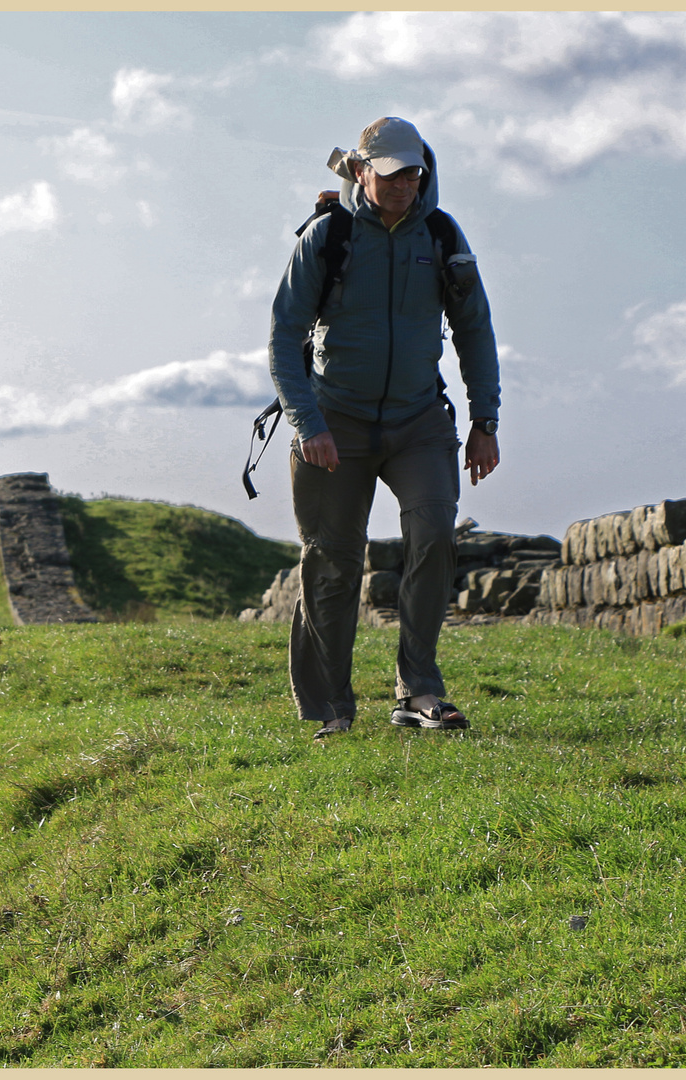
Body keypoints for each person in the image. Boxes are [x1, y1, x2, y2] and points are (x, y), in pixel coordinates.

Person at [267, 116, 500, 740]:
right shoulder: (328, 236)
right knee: (333, 560)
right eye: (393, 175)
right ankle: (330, 709)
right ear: (362, 171)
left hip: (419, 420)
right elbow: (284, 337)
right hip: (332, 420)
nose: (405, 187)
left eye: (414, 175)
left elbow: (475, 330)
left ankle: (419, 690)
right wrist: (307, 421)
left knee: (434, 531)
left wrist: (485, 420)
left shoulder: (443, 234)